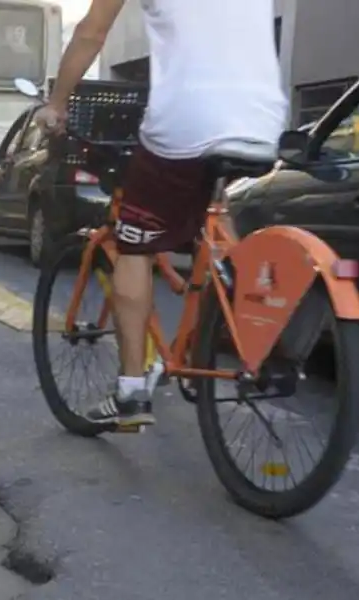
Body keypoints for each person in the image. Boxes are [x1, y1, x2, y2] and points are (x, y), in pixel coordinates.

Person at [36, 0, 287, 426]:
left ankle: (132, 390)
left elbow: (91, 33)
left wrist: (56, 103)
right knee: (212, 215)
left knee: (134, 245)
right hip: (262, 120)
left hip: (187, 120)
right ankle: (222, 315)